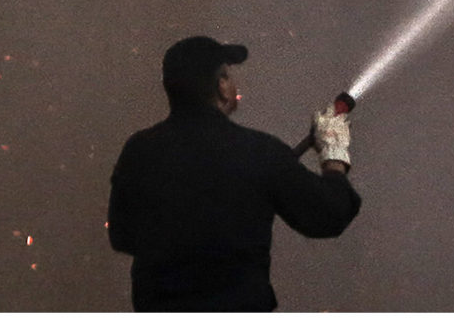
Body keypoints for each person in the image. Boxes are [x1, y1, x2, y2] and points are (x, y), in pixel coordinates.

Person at [107, 35, 361, 311]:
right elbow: (328, 215)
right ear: (221, 87)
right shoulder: (259, 152)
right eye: (227, 75)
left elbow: (122, 236)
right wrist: (333, 152)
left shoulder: (139, 151)